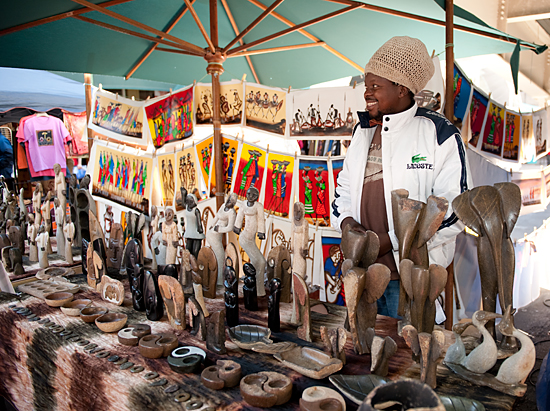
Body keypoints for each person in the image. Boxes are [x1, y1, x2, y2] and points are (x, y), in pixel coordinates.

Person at [331, 36, 472, 318]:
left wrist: (391, 240)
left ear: (402, 89)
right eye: (366, 85)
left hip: (411, 276)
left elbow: (456, 211)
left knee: (407, 356)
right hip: (361, 270)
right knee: (363, 353)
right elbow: (342, 190)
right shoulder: (363, 131)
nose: (367, 93)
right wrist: (346, 223)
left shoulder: (438, 134)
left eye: (376, 86)